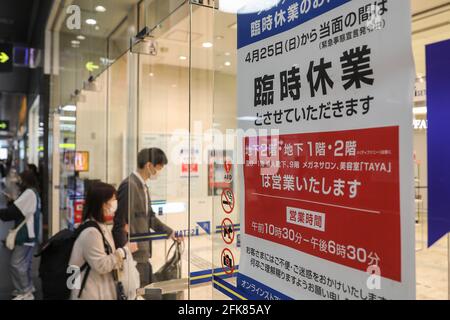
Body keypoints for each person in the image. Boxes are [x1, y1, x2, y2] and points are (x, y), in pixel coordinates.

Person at [113, 148, 180, 287]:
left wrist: (169, 232)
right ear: (149, 165)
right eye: (158, 168)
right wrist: (123, 254)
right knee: (151, 293)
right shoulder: (130, 186)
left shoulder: (142, 187)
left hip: (142, 253)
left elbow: (150, 218)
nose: (158, 172)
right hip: (134, 254)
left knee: (150, 289)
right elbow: (119, 223)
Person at [69, 182, 138, 300]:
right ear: (103, 204)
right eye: (113, 200)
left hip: (98, 290)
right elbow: (101, 265)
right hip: (90, 293)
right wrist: (125, 251)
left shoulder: (100, 227)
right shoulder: (91, 233)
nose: (115, 203)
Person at [0, 170, 41, 300]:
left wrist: (9, 205)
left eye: (20, 178)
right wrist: (12, 202)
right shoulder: (32, 192)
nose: (18, 181)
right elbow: (19, 210)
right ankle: (24, 288)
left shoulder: (29, 193)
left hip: (25, 234)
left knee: (16, 264)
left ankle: (25, 291)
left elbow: (12, 213)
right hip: (29, 234)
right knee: (25, 264)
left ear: (25, 180)